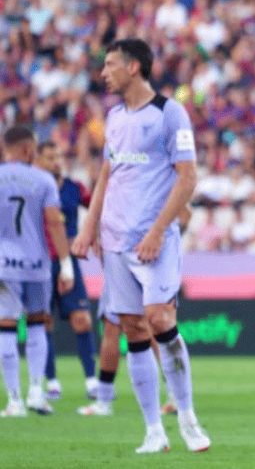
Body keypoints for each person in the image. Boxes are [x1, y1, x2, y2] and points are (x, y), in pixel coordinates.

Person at [72, 39, 210, 452]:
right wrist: (89, 227)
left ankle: (187, 417)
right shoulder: (114, 116)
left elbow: (188, 177)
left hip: (155, 240)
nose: (103, 73)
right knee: (132, 327)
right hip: (114, 240)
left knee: (159, 317)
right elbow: (107, 174)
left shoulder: (170, 113)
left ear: (133, 67)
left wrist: (157, 231)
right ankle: (153, 430)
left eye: (110, 65)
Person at [77, 205, 192, 417]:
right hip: (144, 260)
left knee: (116, 328)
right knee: (152, 327)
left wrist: (163, 236)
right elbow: (185, 213)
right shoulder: (157, 188)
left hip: (129, 257)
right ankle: (174, 397)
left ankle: (104, 400)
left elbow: (185, 213)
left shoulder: (126, 187)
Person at [0, 127, 74, 417]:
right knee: (37, 323)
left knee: (6, 324)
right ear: (27, 149)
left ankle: (14, 401)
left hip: (4, 264)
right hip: (37, 264)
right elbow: (54, 222)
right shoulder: (44, 180)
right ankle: (35, 392)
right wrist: (66, 265)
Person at [33, 141, 98, 401]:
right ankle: (51, 382)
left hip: (68, 260)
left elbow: (97, 207)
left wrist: (89, 234)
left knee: (82, 319)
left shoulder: (74, 187)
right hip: (40, 262)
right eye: (50, 157)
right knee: (43, 321)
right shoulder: (33, 188)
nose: (56, 161)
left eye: (58, 156)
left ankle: (92, 381)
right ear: (38, 160)